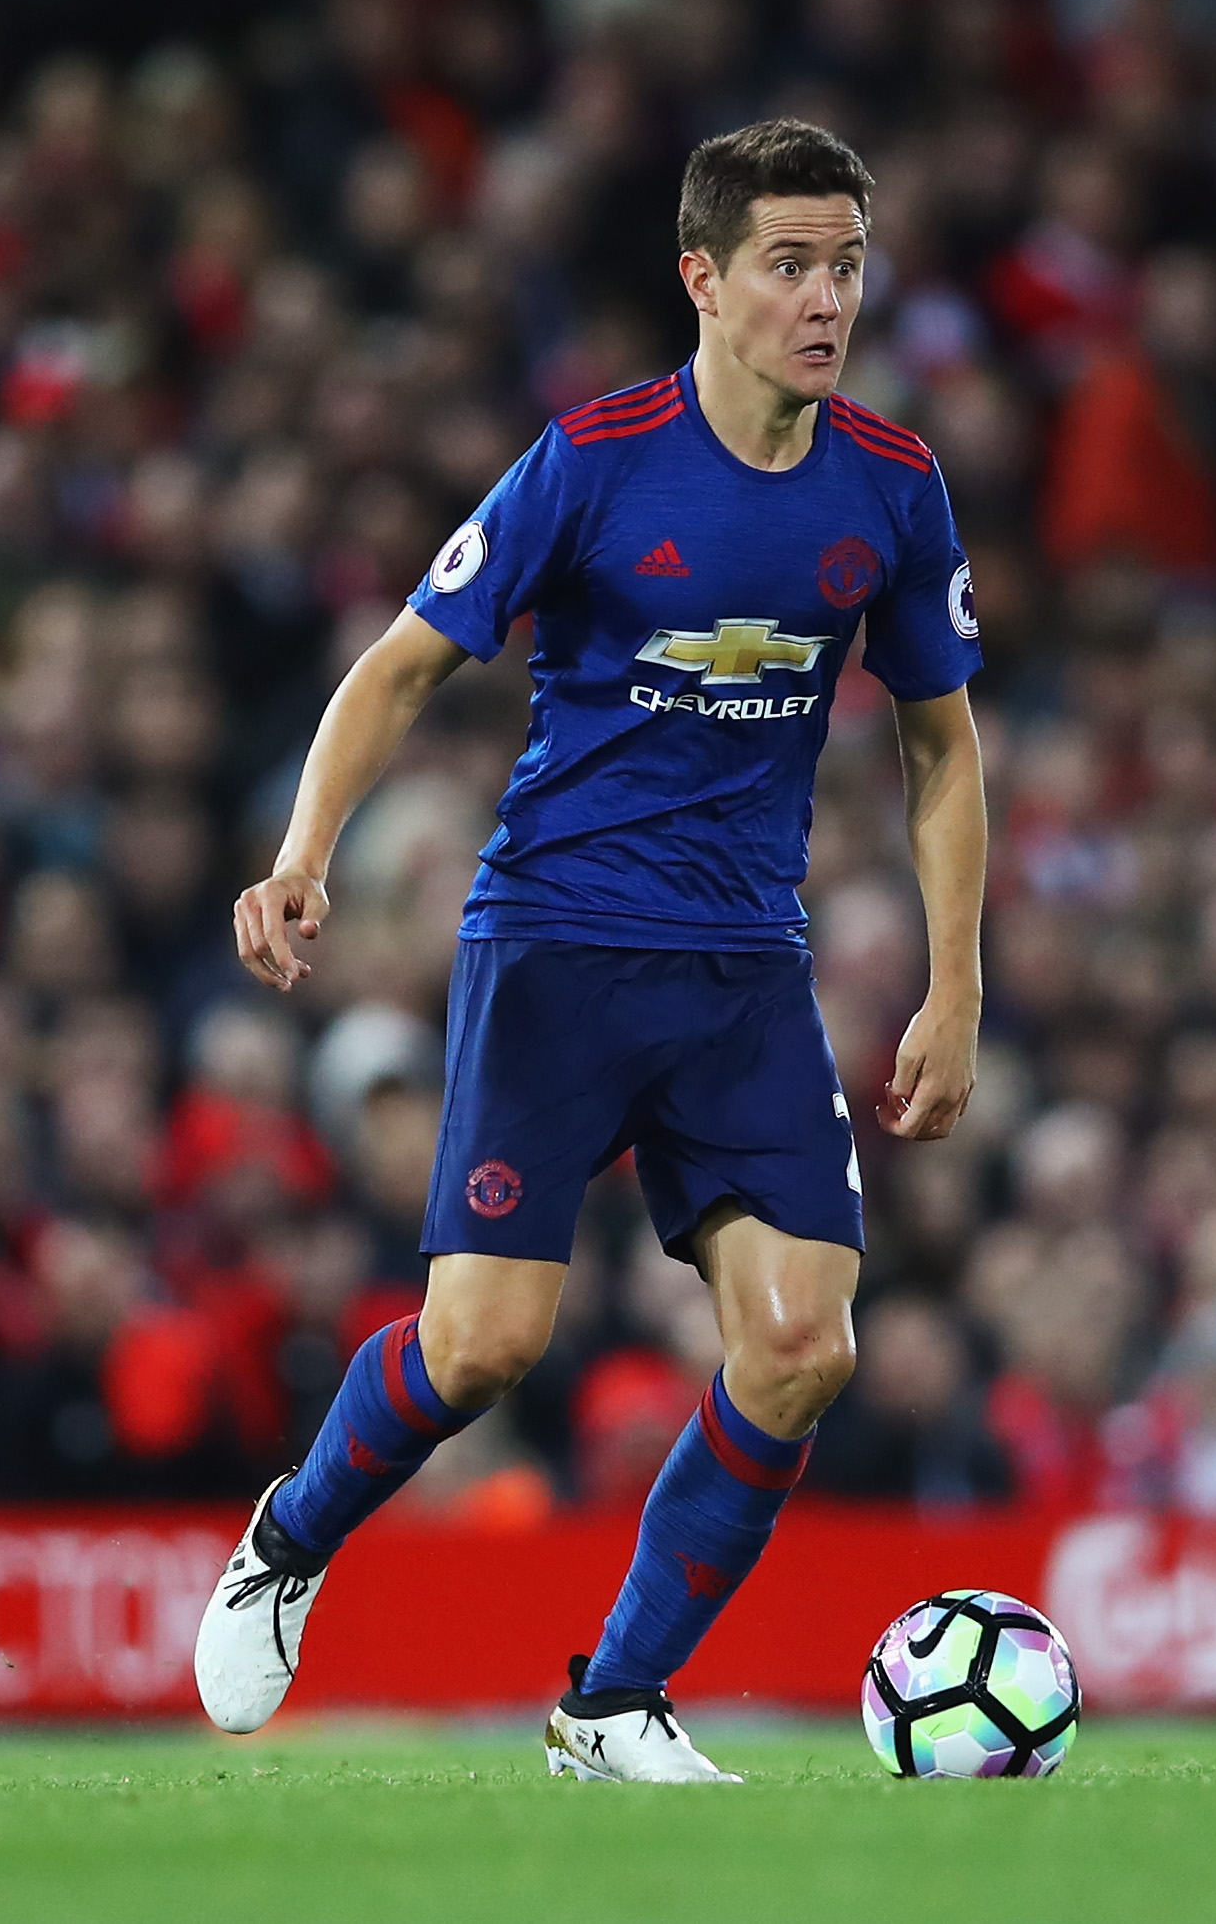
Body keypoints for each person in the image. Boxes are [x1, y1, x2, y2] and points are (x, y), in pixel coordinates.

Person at [193, 121, 987, 1782]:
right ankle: (291, 1534)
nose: (826, 296)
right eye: (790, 262)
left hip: (745, 968)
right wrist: (303, 854)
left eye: (846, 262)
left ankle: (611, 1703)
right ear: (702, 278)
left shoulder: (894, 488)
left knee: (802, 1347)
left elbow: (941, 744)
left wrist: (956, 975)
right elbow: (404, 665)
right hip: (556, 941)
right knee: (483, 1347)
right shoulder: (594, 459)